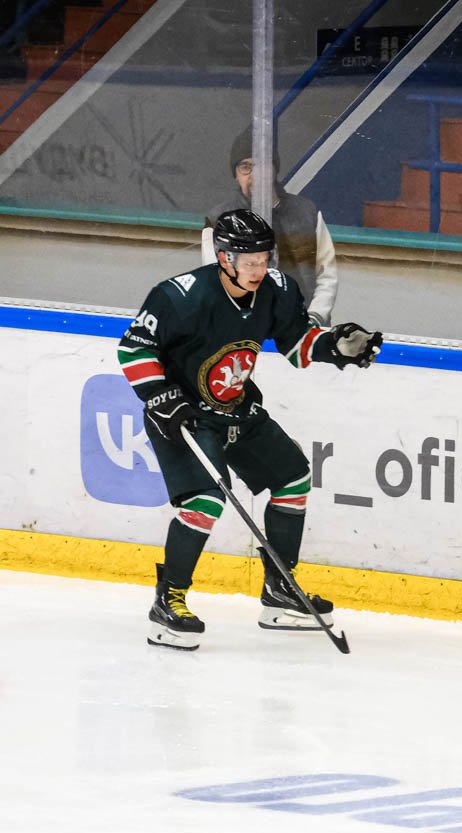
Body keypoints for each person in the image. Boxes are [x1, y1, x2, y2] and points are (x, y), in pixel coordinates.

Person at [122, 209, 382, 650]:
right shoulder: (180, 296)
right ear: (224, 258)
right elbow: (135, 350)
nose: (259, 269)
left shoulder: (277, 289)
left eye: (264, 259)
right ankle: (169, 602)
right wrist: (161, 397)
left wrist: (335, 345)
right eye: (250, 262)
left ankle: (280, 591)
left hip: (237, 409)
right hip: (184, 415)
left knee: (293, 478)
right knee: (205, 500)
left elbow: (298, 344)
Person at [202, 128, 338, 326]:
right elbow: (216, 281)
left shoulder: (306, 213)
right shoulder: (218, 221)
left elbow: (326, 277)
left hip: (303, 326)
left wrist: (313, 318)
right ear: (236, 175)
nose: (255, 176)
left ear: (274, 169)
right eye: (246, 167)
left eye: (262, 166)